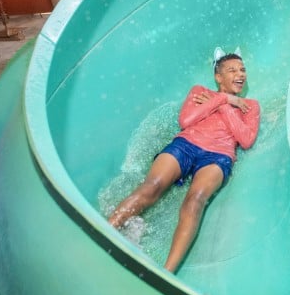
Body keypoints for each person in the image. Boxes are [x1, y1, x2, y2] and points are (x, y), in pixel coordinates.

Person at [109, 51, 260, 272]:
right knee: (152, 187)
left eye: (242, 70)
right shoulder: (200, 91)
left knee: (195, 200)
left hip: (218, 155)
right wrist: (225, 98)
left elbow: (245, 140)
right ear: (218, 77)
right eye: (232, 70)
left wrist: (223, 105)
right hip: (186, 144)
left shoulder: (250, 105)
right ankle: (106, 229)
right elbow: (186, 120)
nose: (240, 74)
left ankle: (167, 272)